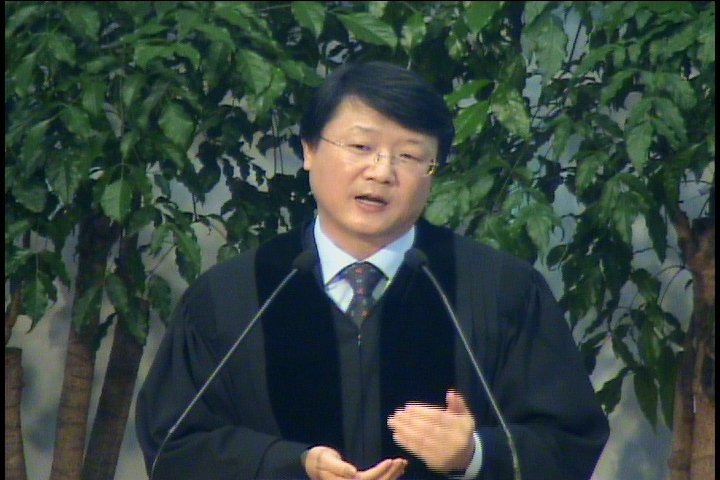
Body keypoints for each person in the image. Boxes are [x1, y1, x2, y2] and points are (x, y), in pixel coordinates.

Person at [136, 60, 609, 480]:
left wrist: (475, 455)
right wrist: (291, 466)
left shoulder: (501, 291)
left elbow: (568, 441)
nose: (382, 172)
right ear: (309, 150)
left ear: (433, 172)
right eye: (361, 146)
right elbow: (174, 445)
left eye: (410, 156)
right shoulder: (232, 296)